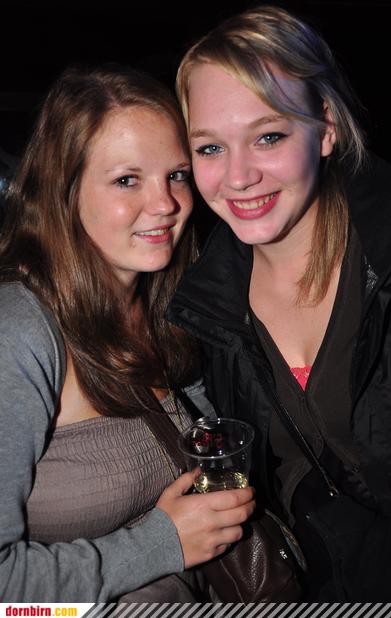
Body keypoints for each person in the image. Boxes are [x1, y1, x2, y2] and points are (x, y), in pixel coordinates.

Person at [167, 4, 391, 601]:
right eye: (210, 148)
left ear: (325, 128)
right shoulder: (204, 304)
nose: (239, 177)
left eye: (268, 136)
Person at [0, 64, 255, 602]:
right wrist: (160, 544)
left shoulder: (171, 305)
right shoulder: (18, 333)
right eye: (126, 180)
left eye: (176, 175)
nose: (166, 204)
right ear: (64, 191)